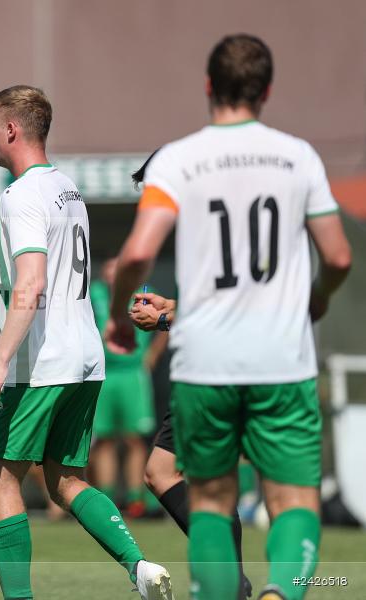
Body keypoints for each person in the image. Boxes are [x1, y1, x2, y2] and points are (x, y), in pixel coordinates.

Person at [106, 34, 352, 600]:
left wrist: (121, 317)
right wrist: (317, 297)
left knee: (212, 501)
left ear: (208, 86)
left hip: (207, 365)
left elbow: (139, 253)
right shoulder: (298, 156)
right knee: (292, 501)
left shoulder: (182, 159)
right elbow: (338, 256)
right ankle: (277, 594)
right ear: (267, 91)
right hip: (281, 359)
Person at [0, 85, 172, 600]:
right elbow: (59, 298)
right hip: (84, 359)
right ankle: (139, 567)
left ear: (11, 129)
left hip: (40, 366)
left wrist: (1, 361)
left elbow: (32, 284)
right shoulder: (68, 189)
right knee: (67, 482)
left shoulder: (20, 195)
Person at [129, 155, 254, 599]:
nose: (150, 205)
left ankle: (233, 583)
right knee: (175, 474)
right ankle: (234, 582)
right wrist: (169, 308)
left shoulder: (205, 228)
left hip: (215, 367)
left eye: (151, 192)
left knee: (181, 476)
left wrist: (161, 323)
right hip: (230, 363)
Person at [88, 257, 166, 517]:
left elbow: (166, 324)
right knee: (104, 439)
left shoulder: (144, 293)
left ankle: (136, 500)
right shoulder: (94, 294)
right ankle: (108, 499)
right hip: (104, 373)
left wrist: (151, 356)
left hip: (133, 373)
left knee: (134, 438)